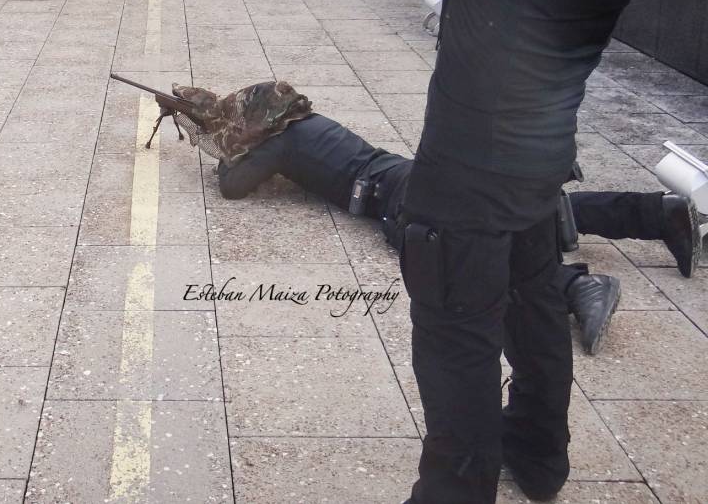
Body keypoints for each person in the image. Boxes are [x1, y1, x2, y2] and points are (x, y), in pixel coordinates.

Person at [336, 0, 641, 504]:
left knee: (456, 338)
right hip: (539, 158)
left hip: (470, 177)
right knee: (536, 311)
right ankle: (538, 457)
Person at [215, 110, 701, 354]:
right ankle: (657, 214)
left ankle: (575, 285)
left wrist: (223, 151)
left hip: (398, 197)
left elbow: (233, 187)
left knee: (463, 255)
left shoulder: (278, 143)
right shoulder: (306, 121)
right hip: (403, 177)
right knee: (516, 215)